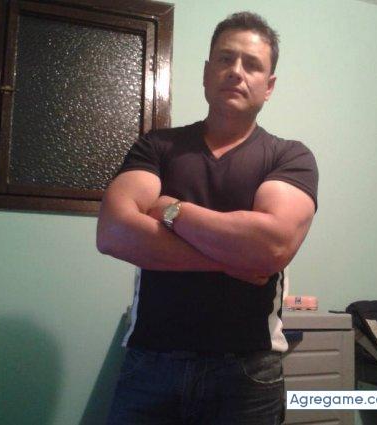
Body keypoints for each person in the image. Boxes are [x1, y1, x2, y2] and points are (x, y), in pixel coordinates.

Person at [97, 11, 318, 425]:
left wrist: (170, 209)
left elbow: (271, 246)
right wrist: (231, 260)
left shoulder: (289, 156)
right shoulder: (157, 146)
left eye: (252, 64)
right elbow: (114, 232)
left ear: (269, 86)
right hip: (150, 364)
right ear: (205, 72)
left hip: (248, 372)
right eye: (225, 59)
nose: (236, 71)